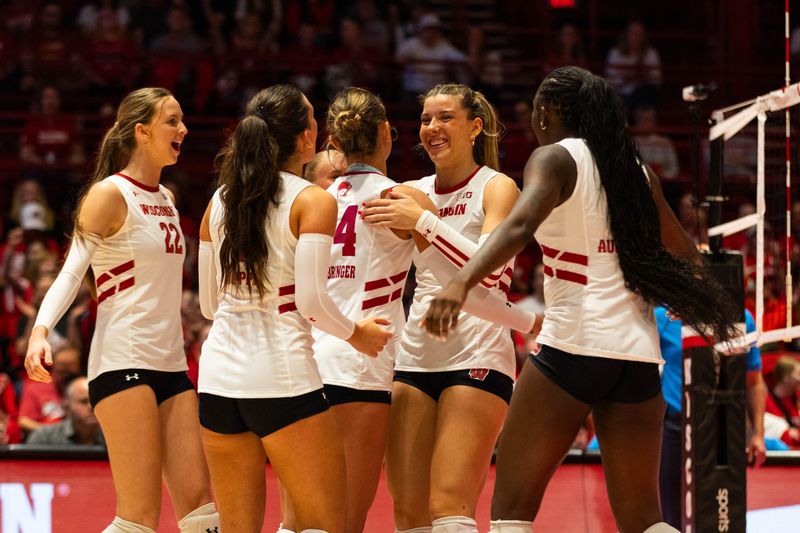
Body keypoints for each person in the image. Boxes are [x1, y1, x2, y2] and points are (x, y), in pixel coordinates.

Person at [420, 67, 739, 533]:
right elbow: (688, 256)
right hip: (637, 354)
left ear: (548, 111)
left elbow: (518, 226)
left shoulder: (553, 158)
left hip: (573, 345)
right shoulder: (636, 169)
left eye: (534, 109)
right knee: (646, 521)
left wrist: (461, 282)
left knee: (510, 511)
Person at [196, 84, 392, 533]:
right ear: (306, 138)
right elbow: (311, 302)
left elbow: (209, 305)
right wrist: (357, 333)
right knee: (325, 524)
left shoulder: (218, 202)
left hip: (218, 381)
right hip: (283, 379)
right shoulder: (311, 199)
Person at [24, 87, 219, 533]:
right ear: (141, 130)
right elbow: (73, 273)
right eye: (173, 121)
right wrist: (40, 330)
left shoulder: (168, 200)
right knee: (139, 518)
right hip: (122, 362)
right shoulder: (108, 194)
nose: (184, 129)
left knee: (201, 511)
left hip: (171, 365)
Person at [362, 83, 527, 533]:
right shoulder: (410, 190)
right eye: (426, 119)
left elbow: (488, 274)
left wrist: (423, 221)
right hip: (415, 356)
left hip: (478, 355)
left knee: (449, 507)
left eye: (445, 117)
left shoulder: (498, 188)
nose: (432, 128)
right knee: (409, 513)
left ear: (475, 126)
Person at [655, 306, 765, 528]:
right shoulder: (662, 317)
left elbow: (754, 381)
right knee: (673, 513)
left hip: (723, 425)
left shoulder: (741, 318)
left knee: (723, 512)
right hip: (675, 425)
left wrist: (758, 435)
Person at [27, 375, 106, 445]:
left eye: (95, 401)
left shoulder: (112, 437)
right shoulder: (44, 436)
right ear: (67, 407)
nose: (91, 407)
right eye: (83, 402)